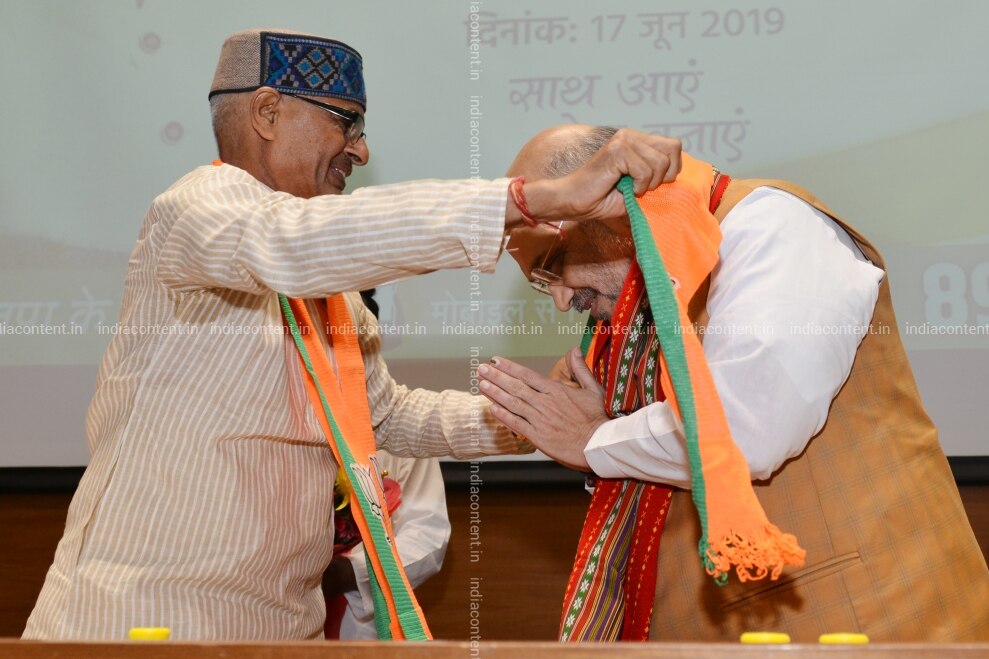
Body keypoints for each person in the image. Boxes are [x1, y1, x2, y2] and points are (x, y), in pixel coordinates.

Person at [22, 30, 682, 641]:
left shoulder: (330, 293)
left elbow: (386, 416)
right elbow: (288, 242)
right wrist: (535, 200)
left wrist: (534, 417)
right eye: (347, 122)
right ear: (268, 112)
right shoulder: (198, 208)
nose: (361, 150)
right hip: (142, 622)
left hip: (284, 631)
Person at [478, 124, 989, 642]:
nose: (562, 300)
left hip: (863, 622)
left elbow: (748, 429)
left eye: (551, 264)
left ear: (603, 201)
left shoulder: (769, 226)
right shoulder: (643, 310)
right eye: (541, 285)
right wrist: (599, 434)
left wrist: (594, 438)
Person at [322, 450, 450, 639]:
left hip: (363, 624)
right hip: (284, 613)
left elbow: (427, 533)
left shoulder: (407, 435)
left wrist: (350, 571)